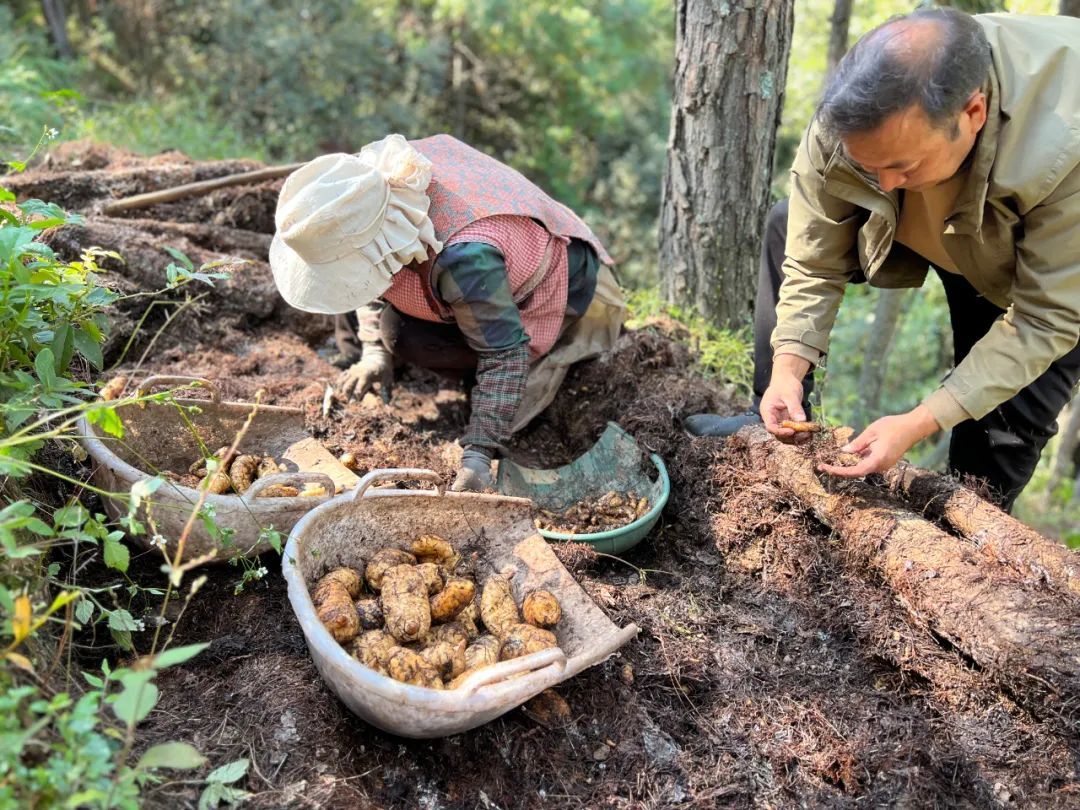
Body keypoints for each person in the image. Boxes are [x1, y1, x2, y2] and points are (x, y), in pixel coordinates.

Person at [686, 8, 1080, 511]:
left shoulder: (1064, 146)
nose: (887, 183)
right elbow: (811, 257)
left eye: (902, 164)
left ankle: (963, 543)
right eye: (871, 166)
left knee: (992, 446)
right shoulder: (852, 108)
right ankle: (773, 410)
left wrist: (920, 420)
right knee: (788, 226)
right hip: (942, 227)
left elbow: (1044, 319)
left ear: (973, 113)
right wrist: (789, 364)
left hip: (1037, 276)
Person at [268, 134, 625, 492]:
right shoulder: (364, 191)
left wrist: (479, 453)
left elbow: (505, 353)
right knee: (381, 332)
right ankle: (362, 354)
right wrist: (372, 352)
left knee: (403, 334)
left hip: (553, 277)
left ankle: (467, 377)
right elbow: (360, 276)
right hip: (469, 261)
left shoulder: (465, 259)